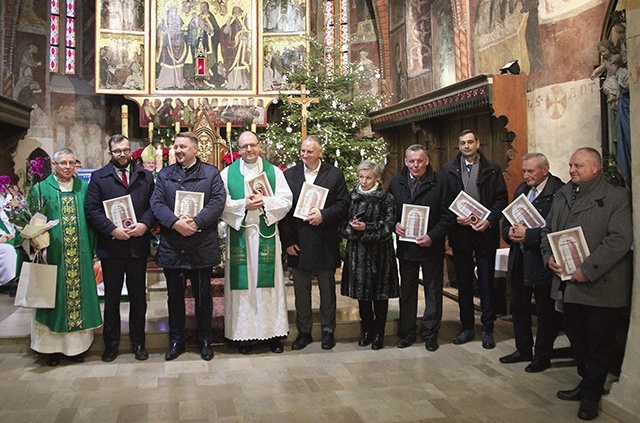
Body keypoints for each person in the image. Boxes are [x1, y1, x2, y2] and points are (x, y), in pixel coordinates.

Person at [541, 147, 632, 421]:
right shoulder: (563, 194)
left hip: (600, 286)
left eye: (578, 166)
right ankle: (585, 382)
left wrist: (588, 269)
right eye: (570, 165)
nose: (571, 170)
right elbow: (547, 231)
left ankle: (591, 395)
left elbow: (618, 240)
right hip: (568, 286)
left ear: (595, 168)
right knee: (577, 339)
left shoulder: (616, 197)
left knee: (598, 343)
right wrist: (549, 259)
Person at [21, 148, 103, 366]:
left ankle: (76, 349)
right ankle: (49, 350)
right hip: (52, 256)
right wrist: (35, 238)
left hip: (81, 254)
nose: (67, 167)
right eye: (62, 163)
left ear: (76, 165)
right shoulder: (40, 189)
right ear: (54, 166)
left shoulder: (84, 188)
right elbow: (30, 221)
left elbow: (93, 222)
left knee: (79, 299)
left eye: (71, 163)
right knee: (52, 300)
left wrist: (95, 252)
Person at [150, 132, 226, 361]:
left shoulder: (211, 173)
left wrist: (196, 222)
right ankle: (176, 340)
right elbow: (156, 202)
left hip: (201, 243)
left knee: (203, 297)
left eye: (183, 146)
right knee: (175, 297)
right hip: (174, 244)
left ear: (195, 149)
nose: (178, 150)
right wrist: (175, 223)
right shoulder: (165, 174)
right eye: (176, 147)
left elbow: (218, 201)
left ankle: (205, 340)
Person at [220, 131, 292, 354]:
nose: (248, 150)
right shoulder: (227, 173)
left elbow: (286, 200)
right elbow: (221, 203)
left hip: (266, 234)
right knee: (243, 287)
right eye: (243, 146)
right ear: (238, 149)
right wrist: (244, 205)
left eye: (252, 145)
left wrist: (265, 201)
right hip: (240, 235)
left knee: (268, 286)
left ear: (259, 146)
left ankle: (273, 334)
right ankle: (244, 336)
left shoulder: (274, 172)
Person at [85, 134, 155, 362]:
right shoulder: (99, 177)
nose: (122, 154)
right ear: (110, 153)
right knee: (112, 299)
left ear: (130, 151)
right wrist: (111, 229)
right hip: (112, 247)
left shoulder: (145, 176)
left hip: (137, 246)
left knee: (138, 299)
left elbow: (155, 204)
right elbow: (92, 209)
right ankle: (111, 344)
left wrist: (144, 224)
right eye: (117, 151)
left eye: (125, 150)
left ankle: (139, 344)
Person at [280, 135, 349, 350]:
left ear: (320, 152)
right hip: (298, 242)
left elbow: (344, 204)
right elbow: (284, 211)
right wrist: (288, 241)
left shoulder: (334, 174)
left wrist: (324, 215)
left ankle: (328, 330)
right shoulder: (289, 175)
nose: (305, 155)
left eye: (310, 151)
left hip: (325, 241)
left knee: (327, 291)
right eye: (302, 151)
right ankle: (304, 332)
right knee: (301, 292)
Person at [442, 129, 508, 349]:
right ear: (458, 146)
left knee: (486, 282)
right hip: (460, 233)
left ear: (478, 143)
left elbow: (501, 199)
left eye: (470, 142)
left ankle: (488, 327)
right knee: (464, 283)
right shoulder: (449, 170)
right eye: (462, 143)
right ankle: (467, 327)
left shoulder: (492, 169)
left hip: (484, 232)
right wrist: (454, 218)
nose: (466, 146)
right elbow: (444, 201)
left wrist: (489, 220)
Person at [499, 153, 564, 372]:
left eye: (530, 171)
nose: (526, 175)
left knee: (546, 312)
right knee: (520, 307)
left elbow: (559, 229)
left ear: (545, 170)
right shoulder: (522, 190)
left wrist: (530, 236)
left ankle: (542, 355)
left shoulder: (558, 192)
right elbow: (507, 221)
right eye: (524, 171)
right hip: (520, 258)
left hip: (543, 260)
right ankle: (523, 348)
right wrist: (509, 233)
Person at [388, 144, 455, 352]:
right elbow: (389, 211)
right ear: (406, 162)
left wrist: (432, 237)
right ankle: (407, 331)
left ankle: (431, 333)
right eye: (411, 161)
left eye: (419, 161)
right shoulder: (396, 182)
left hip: (430, 246)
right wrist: (394, 225)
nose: (415, 165)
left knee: (433, 291)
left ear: (426, 160)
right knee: (407, 290)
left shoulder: (441, 182)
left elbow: (448, 215)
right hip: (407, 247)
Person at [340, 160, 398, 350]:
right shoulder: (352, 197)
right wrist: (352, 229)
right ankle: (366, 331)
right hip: (358, 254)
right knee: (362, 296)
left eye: (368, 178)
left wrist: (367, 228)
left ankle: (379, 334)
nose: (364, 181)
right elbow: (342, 225)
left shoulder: (386, 198)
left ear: (377, 178)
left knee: (380, 296)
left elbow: (389, 226)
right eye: (361, 177)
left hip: (380, 255)